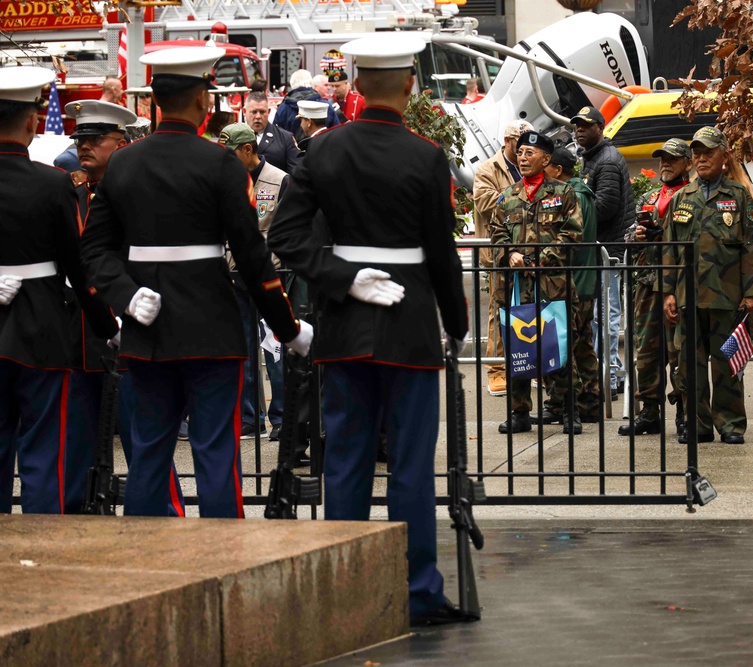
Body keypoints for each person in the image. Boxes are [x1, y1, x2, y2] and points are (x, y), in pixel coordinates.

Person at [266, 33, 469, 626]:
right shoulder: (428, 157)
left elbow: (286, 238)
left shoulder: (324, 151)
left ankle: (344, 589)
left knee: (347, 460)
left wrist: (342, 278)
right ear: (410, 84)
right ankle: (418, 592)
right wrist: (453, 324)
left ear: (356, 87)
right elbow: (441, 251)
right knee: (409, 465)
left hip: (345, 325)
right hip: (408, 324)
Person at [80, 46, 312, 519]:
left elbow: (95, 251)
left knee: (147, 455)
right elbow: (253, 259)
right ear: (204, 101)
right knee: (215, 456)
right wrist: (288, 329)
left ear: (156, 103)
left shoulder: (123, 164)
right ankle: (223, 560)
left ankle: (148, 566)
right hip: (211, 330)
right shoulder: (221, 164)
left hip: (148, 332)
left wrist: (125, 296)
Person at [0, 67, 119, 514]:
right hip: (42, 331)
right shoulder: (53, 185)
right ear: (33, 121)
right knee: (43, 451)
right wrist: (107, 325)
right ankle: (44, 541)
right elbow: (80, 266)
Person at [63, 99, 186, 515]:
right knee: (75, 451)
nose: (86, 147)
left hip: (130, 329)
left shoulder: (142, 192)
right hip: (77, 337)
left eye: (97, 139)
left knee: (145, 444)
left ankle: (167, 520)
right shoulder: (69, 192)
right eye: (81, 139)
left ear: (123, 142)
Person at [663, 127, 753, 445]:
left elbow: (752, 246)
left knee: (728, 365)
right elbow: (669, 248)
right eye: (697, 152)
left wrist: (752, 291)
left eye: (708, 152)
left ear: (723, 155)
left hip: (728, 299)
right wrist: (667, 291)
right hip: (687, 298)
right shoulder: (681, 198)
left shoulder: (737, 197)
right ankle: (698, 425)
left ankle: (731, 424)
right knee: (688, 366)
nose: (701, 158)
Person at [491, 131, 584, 435]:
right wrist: (511, 253)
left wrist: (540, 258)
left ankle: (569, 409)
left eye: (530, 153)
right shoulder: (507, 197)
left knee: (558, 345)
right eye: (519, 153)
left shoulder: (563, 193)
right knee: (518, 347)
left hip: (552, 285)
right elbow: (497, 236)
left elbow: (573, 235)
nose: (523, 158)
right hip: (518, 287)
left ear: (546, 159)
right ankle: (519, 412)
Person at [218, 121, 292, 444]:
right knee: (245, 349)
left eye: (230, 153)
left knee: (275, 350)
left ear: (248, 150)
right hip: (235, 276)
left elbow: (285, 231)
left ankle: (280, 418)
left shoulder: (279, 180)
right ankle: (251, 417)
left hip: (269, 275)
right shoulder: (226, 182)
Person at [620, 138, 692, 437]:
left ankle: (685, 412)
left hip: (680, 283)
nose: (665, 163)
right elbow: (626, 237)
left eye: (672, 159)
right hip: (648, 283)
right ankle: (649, 410)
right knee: (646, 351)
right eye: (662, 158)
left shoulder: (693, 196)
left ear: (687, 163)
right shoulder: (649, 197)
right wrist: (634, 236)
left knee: (680, 352)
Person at [572, 106, 632, 399]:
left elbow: (605, 206)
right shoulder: (594, 158)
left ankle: (610, 373)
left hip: (608, 249)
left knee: (605, 315)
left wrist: (575, 218)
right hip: (601, 248)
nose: (579, 130)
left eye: (585, 125)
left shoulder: (606, 161)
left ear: (600, 126)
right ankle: (608, 369)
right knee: (601, 314)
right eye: (576, 126)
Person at [472, 119, 534, 397]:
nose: (524, 152)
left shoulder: (533, 166)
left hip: (529, 252)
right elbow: (485, 203)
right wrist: (517, 200)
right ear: (508, 142)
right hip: (498, 253)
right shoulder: (488, 169)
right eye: (520, 145)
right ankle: (497, 371)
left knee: (530, 309)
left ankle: (531, 366)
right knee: (498, 311)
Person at [543, 146, 601, 425]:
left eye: (547, 165)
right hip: (585, 278)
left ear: (557, 170)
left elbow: (571, 242)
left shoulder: (572, 196)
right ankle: (590, 401)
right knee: (582, 344)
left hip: (574, 280)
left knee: (566, 344)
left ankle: (564, 402)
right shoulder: (584, 194)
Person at [273, 69, 339, 142]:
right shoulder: (325, 106)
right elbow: (337, 133)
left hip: (291, 151)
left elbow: (276, 137)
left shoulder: (283, 108)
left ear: (292, 84)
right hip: (322, 149)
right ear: (311, 83)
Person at [244, 91, 299, 173]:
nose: (258, 116)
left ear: (268, 112)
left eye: (262, 112)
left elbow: (295, 172)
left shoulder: (285, 138)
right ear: (245, 112)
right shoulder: (233, 137)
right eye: (254, 112)